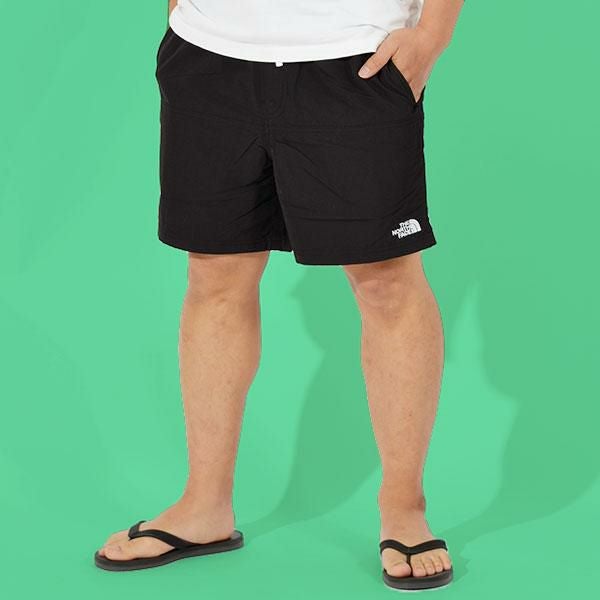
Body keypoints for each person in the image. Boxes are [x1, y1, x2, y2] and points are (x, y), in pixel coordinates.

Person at [94, 0, 465, 591]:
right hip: (209, 55)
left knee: (385, 280)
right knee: (215, 272)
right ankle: (205, 506)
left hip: (357, 55)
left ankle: (404, 507)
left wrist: (433, 34)